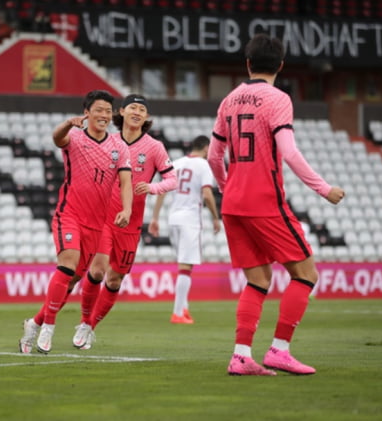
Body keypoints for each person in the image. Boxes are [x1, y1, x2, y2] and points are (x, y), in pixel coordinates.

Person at [207, 33, 345, 376]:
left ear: (248, 63)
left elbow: (214, 156)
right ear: (281, 66)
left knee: (258, 280)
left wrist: (229, 187)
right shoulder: (278, 98)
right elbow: (289, 151)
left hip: (233, 204)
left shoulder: (229, 99)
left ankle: (241, 356)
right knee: (306, 273)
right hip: (264, 200)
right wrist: (323, 188)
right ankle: (279, 350)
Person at [18, 89, 133, 354]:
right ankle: (48, 328)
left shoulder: (118, 146)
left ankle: (33, 324)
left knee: (72, 281)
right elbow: (56, 137)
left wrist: (126, 208)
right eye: (99, 110)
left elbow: (126, 182)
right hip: (69, 215)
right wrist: (67, 124)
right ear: (87, 113)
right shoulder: (76, 139)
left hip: (97, 223)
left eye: (107, 110)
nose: (104, 115)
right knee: (67, 265)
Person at [71, 94, 177, 350]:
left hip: (131, 223)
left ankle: (90, 326)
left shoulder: (154, 147)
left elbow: (173, 179)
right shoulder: (109, 141)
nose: (138, 112)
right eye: (133, 107)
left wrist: (152, 187)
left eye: (142, 109)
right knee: (97, 270)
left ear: (146, 117)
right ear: (122, 112)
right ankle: (84, 321)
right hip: (105, 217)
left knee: (115, 280)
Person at [148, 135, 221, 324]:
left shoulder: (177, 163)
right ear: (206, 149)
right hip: (190, 219)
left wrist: (155, 218)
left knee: (183, 264)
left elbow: (162, 190)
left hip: (173, 218)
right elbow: (206, 193)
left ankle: (184, 309)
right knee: (186, 267)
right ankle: (178, 312)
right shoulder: (204, 166)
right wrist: (215, 217)